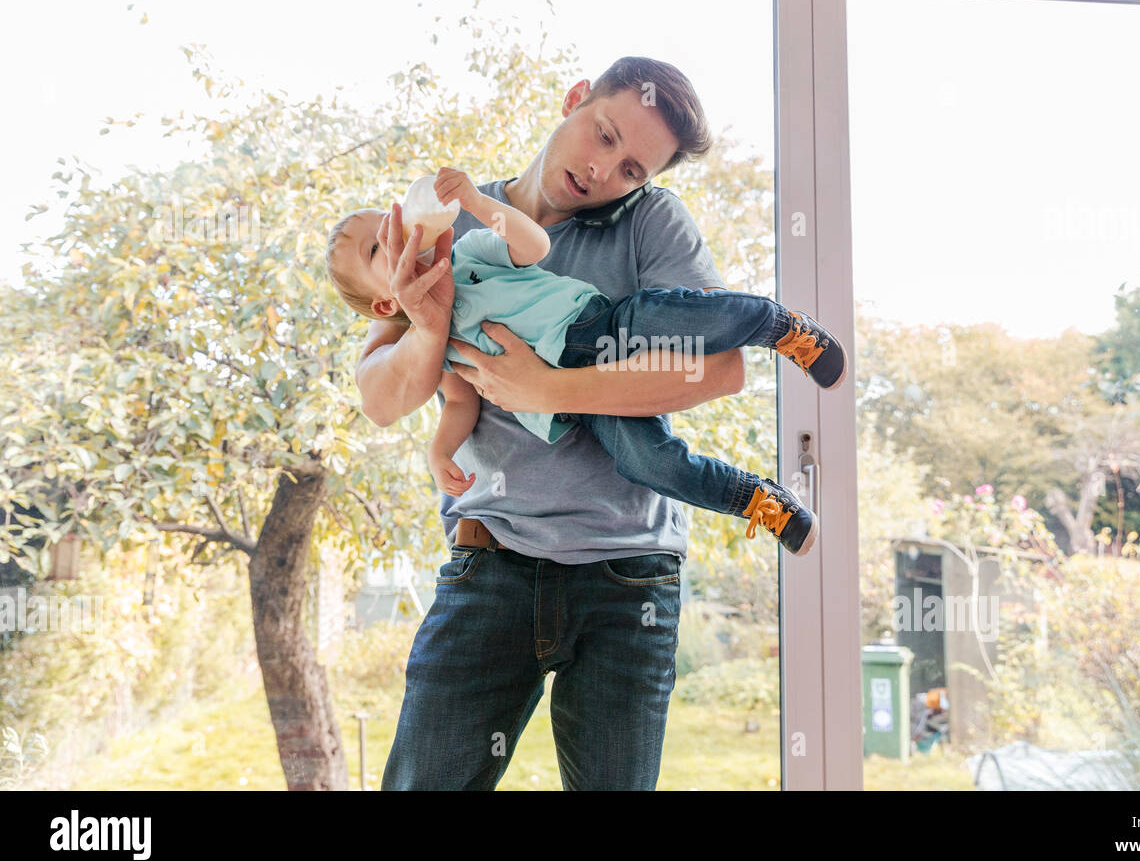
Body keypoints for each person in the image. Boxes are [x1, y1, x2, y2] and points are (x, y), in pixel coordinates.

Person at [353, 56, 806, 790]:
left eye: (631, 168)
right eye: (603, 135)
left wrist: (552, 385)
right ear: (574, 99)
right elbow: (378, 397)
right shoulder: (448, 220)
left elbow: (719, 368)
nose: (603, 172)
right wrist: (430, 328)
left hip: (628, 582)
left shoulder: (651, 222)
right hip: (489, 562)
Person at [326, 165, 846, 555]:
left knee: (690, 319)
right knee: (652, 463)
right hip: (586, 409)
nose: (398, 234)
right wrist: (440, 452)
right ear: (385, 305)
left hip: (601, 325)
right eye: (378, 249)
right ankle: (759, 501)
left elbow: (533, 243)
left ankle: (781, 328)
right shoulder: (429, 345)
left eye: (392, 220)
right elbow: (458, 403)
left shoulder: (468, 254)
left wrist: (473, 204)